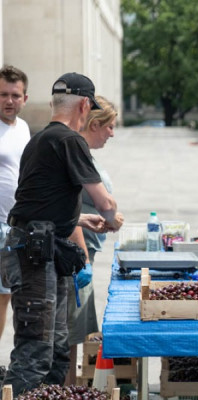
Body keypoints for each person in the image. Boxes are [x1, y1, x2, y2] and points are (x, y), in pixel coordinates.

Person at [1, 72, 119, 395]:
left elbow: (38, 202)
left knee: (56, 351)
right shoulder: (70, 140)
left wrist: (78, 220)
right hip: (34, 255)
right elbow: (105, 202)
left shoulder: (39, 139)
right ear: (84, 106)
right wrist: (111, 218)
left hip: (40, 247)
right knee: (36, 352)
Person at [64, 96, 124, 385]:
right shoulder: (77, 155)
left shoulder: (85, 155)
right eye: (110, 126)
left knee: (77, 327)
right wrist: (84, 259)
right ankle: (67, 387)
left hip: (84, 254)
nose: (112, 133)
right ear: (95, 124)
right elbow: (70, 210)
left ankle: (71, 385)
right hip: (76, 256)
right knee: (71, 329)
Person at [0, 65, 30, 347]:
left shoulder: (23, 128)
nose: (9, 101)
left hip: (15, 226)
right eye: (3, 94)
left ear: (25, 98)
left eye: (15, 95)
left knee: (6, 296)